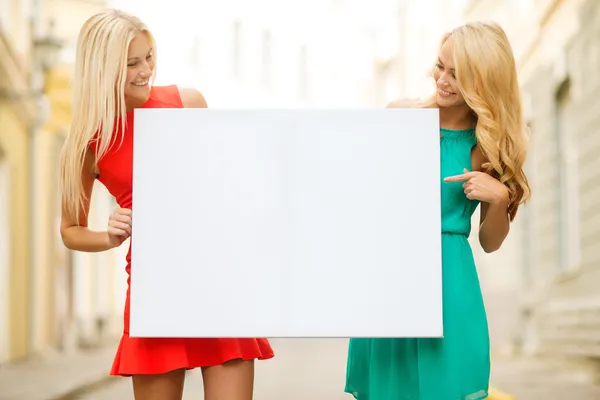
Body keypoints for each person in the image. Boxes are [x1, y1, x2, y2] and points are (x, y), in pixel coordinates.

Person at [59, 9, 274, 400]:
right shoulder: (87, 144)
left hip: (219, 279)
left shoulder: (187, 103)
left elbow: (227, 189)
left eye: (149, 57)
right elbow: (70, 231)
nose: (147, 71)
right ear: (103, 69)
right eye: (132, 63)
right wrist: (108, 236)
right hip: (153, 292)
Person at [344, 21, 531, 400]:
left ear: (483, 83)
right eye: (440, 66)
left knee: (450, 389)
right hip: (393, 275)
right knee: (389, 390)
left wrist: (497, 198)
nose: (441, 79)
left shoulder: (486, 147)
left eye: (457, 75)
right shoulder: (400, 116)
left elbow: (490, 242)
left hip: (452, 283)